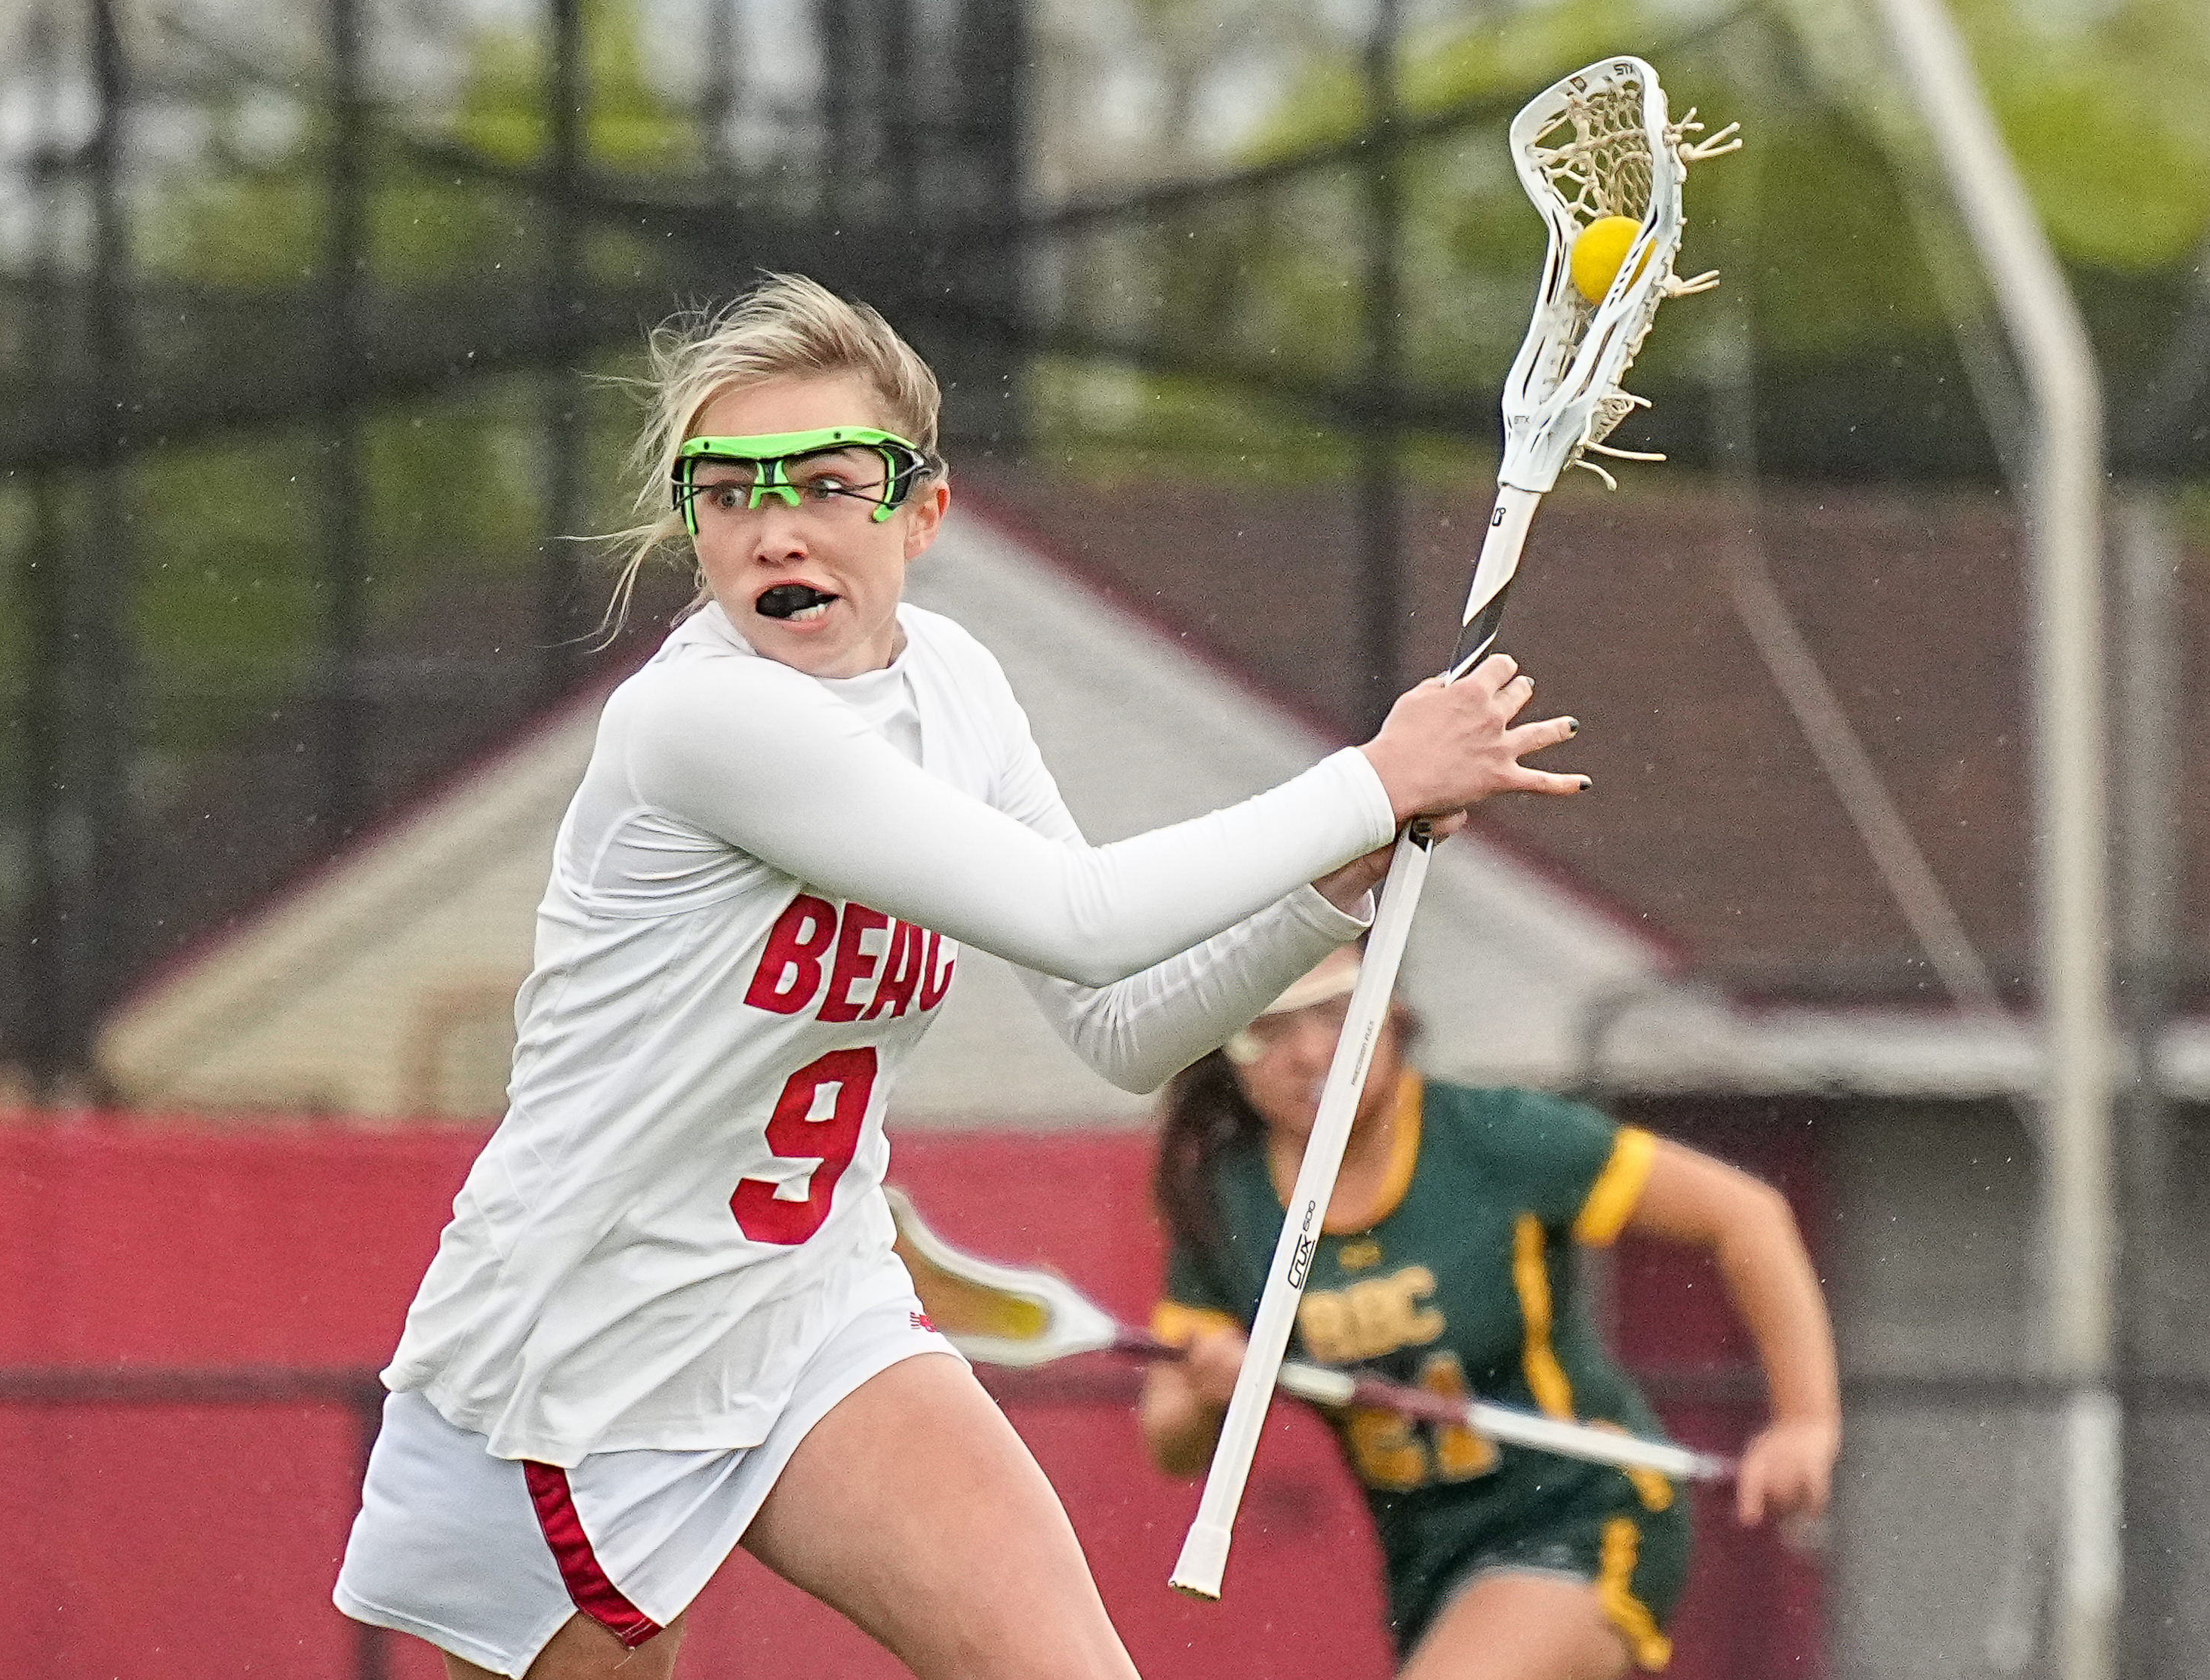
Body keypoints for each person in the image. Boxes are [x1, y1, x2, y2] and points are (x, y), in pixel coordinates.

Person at [332, 272, 1589, 1680]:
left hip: (810, 1310)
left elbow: (1116, 1027)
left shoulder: (954, 684)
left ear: (920, 512)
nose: (777, 525)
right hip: (583, 1360)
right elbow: (1082, 916)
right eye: (729, 491)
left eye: (824, 479)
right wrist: (1368, 780)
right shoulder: (699, 722)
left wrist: (1327, 887)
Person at [1139, 950, 1840, 1680]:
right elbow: (1170, 1443)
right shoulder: (1228, 1202)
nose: (1312, 1051)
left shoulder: (1493, 1139)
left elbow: (1746, 1216)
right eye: (1268, 1028)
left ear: (1395, 1012)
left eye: (1338, 1010)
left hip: (1580, 1513)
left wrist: (1804, 1422)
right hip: (1426, 1566)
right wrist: (1204, 1392)